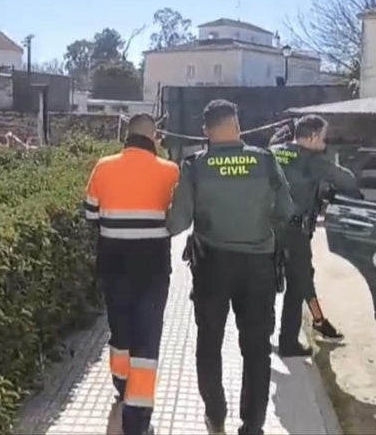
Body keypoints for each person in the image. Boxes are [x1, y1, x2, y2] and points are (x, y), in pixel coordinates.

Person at [166, 99, 294, 435]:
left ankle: (215, 418)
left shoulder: (195, 166)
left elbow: (176, 223)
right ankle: (252, 426)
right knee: (256, 349)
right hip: (259, 267)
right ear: (237, 125)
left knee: (209, 343)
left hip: (212, 267)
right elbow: (286, 210)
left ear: (205, 131)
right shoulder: (265, 161)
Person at [84, 113, 180, 435]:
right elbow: (176, 216)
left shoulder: (104, 165)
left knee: (120, 329)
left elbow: (90, 212)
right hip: (152, 268)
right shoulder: (170, 170)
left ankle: (121, 386)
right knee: (146, 339)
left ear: (127, 135)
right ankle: (137, 421)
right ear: (154, 136)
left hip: (114, 263)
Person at [269, 114, 362, 357]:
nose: (324, 143)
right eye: (322, 137)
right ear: (311, 137)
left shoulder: (272, 151)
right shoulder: (313, 160)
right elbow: (347, 181)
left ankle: (261, 337)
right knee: (298, 283)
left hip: (266, 229)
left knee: (264, 283)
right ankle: (288, 343)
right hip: (294, 233)